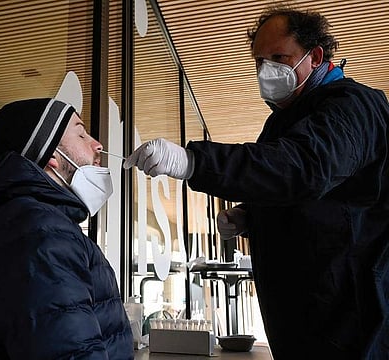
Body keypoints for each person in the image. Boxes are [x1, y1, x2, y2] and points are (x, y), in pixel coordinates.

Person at [123, 6, 389, 360]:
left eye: (279, 57)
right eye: (260, 62)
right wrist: (251, 216)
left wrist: (194, 161)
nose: (267, 71)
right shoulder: (282, 121)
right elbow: (297, 194)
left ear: (316, 56)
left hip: (350, 320)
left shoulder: (351, 107)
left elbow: (305, 169)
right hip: (303, 317)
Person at [0, 98, 134, 359]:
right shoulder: (37, 232)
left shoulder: (36, 224)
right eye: (81, 133)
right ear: (51, 154)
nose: (97, 144)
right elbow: (68, 352)